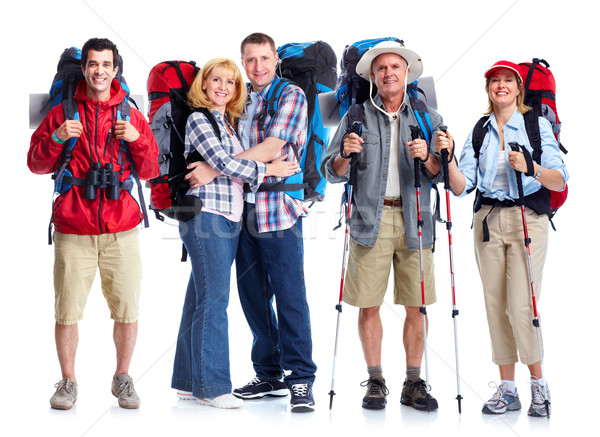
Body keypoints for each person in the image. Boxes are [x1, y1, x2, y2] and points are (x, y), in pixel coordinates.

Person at [187, 32, 317, 412]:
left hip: (278, 210)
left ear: (275, 58)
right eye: (250, 60)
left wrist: (214, 169)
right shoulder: (241, 100)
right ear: (243, 62)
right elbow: (240, 152)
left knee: (290, 296)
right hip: (241, 212)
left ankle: (301, 378)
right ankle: (269, 372)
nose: (257, 67)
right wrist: (234, 169)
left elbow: (274, 146)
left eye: (264, 58)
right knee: (254, 298)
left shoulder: (290, 94)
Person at [28, 38, 159, 410]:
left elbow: (151, 171)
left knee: (127, 309)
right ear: (84, 69)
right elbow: (35, 164)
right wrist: (57, 137)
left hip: (122, 227)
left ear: (116, 70)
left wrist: (137, 141)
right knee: (67, 310)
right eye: (92, 64)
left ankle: (122, 378)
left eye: (106, 64)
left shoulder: (130, 114)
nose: (99, 71)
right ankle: (68, 381)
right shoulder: (63, 113)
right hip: (73, 227)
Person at [435, 60, 568, 417]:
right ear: (488, 89)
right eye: (495, 80)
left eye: (508, 80)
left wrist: (532, 168)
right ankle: (507, 390)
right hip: (487, 222)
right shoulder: (479, 130)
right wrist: (446, 158)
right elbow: (462, 186)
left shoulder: (536, 125)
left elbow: (559, 179)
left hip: (528, 218)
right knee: (495, 306)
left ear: (518, 88)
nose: (501, 85)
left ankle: (539, 386)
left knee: (522, 306)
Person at [321, 40, 444, 411]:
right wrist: (345, 154)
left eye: (395, 67)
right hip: (367, 220)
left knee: (416, 306)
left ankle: (413, 382)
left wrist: (430, 160)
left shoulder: (429, 118)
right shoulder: (355, 116)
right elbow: (331, 172)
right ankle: (375, 381)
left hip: (416, 221)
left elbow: (444, 174)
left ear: (407, 73)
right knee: (368, 305)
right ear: (373, 76)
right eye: (381, 68)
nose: (388, 73)